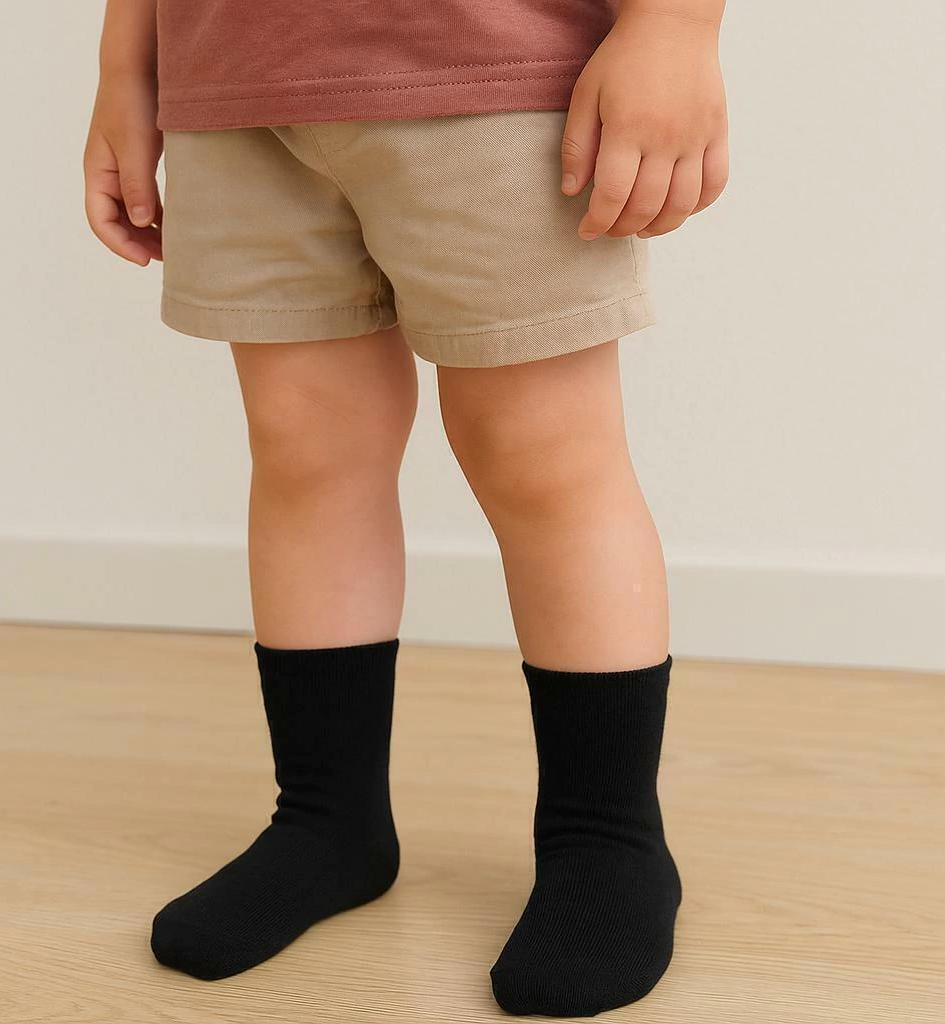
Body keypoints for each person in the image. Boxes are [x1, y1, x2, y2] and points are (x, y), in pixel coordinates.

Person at [85, 0, 728, 1015]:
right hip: (233, 80)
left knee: (542, 456)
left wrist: (676, 28)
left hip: (496, 68)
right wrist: (127, 67)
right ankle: (327, 819)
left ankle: (605, 840)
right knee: (305, 446)